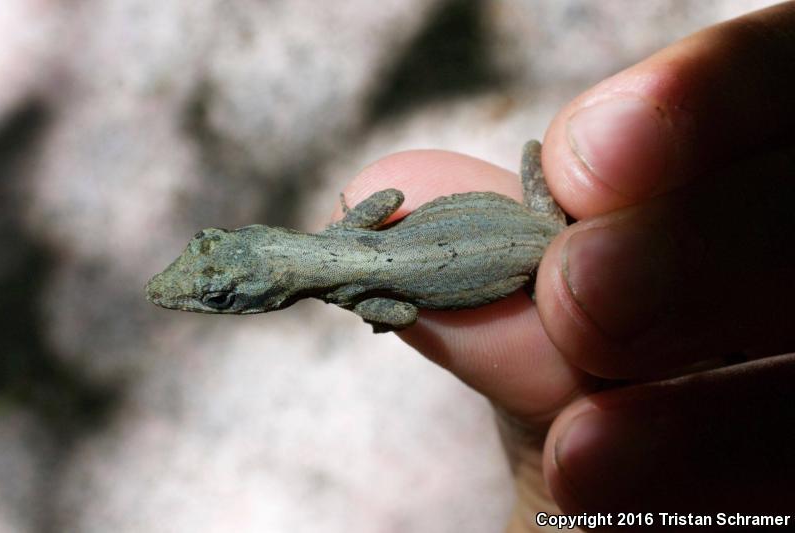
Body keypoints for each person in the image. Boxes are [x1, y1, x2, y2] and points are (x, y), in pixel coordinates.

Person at [335, 2, 795, 529]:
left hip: (542, 275)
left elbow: (401, 316)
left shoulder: (359, 290)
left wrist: (368, 309)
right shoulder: (353, 232)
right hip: (539, 224)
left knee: (595, 326)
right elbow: (390, 194)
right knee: (544, 162)